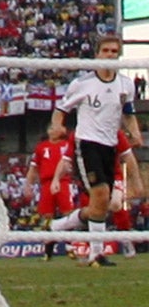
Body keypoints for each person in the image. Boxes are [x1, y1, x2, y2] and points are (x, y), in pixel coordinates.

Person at [49, 34, 143, 268]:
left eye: (114, 51)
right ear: (97, 54)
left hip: (109, 146)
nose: (110, 55)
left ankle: (59, 226)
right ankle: (96, 254)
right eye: (106, 51)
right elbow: (61, 108)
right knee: (100, 195)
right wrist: (58, 125)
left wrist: (135, 131)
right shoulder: (83, 84)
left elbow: (128, 113)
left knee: (101, 205)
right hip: (86, 144)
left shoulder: (125, 84)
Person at [52, 127, 144, 265]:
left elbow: (128, 155)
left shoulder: (113, 131)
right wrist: (56, 179)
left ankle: (124, 239)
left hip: (114, 174)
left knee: (114, 204)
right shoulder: (79, 134)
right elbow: (66, 159)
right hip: (90, 175)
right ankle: (96, 253)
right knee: (95, 209)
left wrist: (136, 181)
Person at [22, 123, 76, 260]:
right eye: (51, 128)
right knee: (47, 217)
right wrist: (28, 185)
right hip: (46, 184)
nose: (55, 129)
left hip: (63, 182)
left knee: (68, 214)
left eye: (57, 127)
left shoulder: (67, 144)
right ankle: (48, 251)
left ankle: (71, 247)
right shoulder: (41, 147)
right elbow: (33, 168)